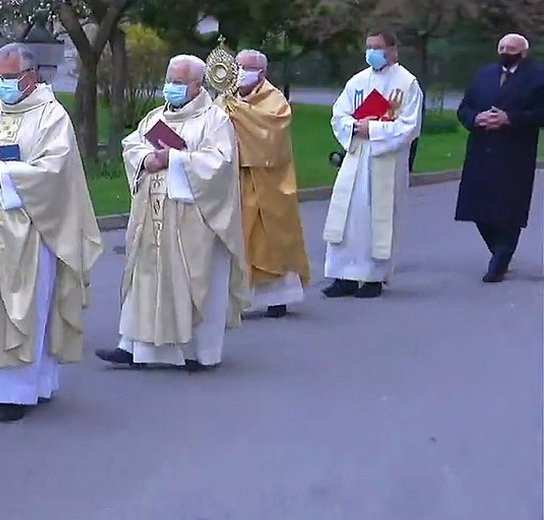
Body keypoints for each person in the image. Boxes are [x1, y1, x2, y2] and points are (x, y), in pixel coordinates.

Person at [0, 44, 102, 421]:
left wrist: (9, 175)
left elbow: (56, 171)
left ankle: (17, 391)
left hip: (29, 232)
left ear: (30, 77)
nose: (1, 85)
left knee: (21, 309)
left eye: (8, 78)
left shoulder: (51, 117)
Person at [97, 55, 249, 372]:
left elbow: (220, 164)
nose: (171, 87)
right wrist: (146, 160)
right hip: (152, 214)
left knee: (190, 279)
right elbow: (133, 145)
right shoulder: (155, 116)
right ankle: (135, 347)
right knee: (145, 277)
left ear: (197, 85)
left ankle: (194, 351)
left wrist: (176, 160)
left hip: (192, 219)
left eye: (178, 82)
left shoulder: (214, 120)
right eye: (169, 80)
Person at [322, 30, 424, 298]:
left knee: (377, 217)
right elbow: (338, 113)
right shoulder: (357, 81)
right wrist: (355, 127)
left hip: (385, 159)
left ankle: (372, 279)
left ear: (393, 50)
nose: (372, 53)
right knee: (348, 217)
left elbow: (410, 126)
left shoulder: (407, 83)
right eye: (368, 47)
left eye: (378, 47)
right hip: (356, 156)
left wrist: (374, 130)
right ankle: (343, 276)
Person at [219, 49, 311, 317]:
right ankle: (237, 298)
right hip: (233, 179)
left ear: (262, 73)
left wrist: (240, 115)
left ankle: (278, 297)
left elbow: (269, 137)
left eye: (247, 68)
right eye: (237, 67)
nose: (240, 73)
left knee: (269, 240)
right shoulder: (225, 99)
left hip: (267, 182)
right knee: (237, 239)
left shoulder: (275, 101)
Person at [455, 34, 544, 282]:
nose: (506, 51)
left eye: (512, 48)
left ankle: (502, 257)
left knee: (509, 207)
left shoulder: (538, 77)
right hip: (481, 149)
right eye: (502, 47)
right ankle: (498, 249)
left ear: (523, 52)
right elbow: (464, 107)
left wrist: (511, 119)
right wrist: (475, 119)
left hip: (515, 152)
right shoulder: (483, 74)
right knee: (478, 208)